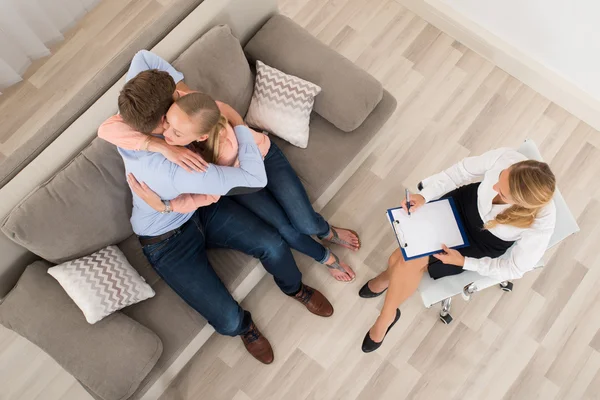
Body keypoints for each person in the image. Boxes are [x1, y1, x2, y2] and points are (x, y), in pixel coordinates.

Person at [102, 54, 336, 365]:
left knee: (273, 244)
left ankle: (295, 289)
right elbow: (255, 177)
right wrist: (236, 122)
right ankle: (245, 328)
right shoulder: (184, 168)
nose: (181, 99)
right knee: (226, 320)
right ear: (162, 122)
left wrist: (170, 128)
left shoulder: (132, 120)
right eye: (177, 103)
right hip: (166, 241)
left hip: (199, 211)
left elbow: (143, 57)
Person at [99, 50, 360, 282]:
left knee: (305, 222)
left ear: (199, 136)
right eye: (168, 125)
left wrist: (239, 126)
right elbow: (107, 127)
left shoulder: (209, 131)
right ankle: (326, 258)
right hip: (239, 182)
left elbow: (253, 176)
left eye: (174, 132)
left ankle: (325, 230)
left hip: (261, 158)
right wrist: (160, 146)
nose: (167, 134)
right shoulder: (177, 120)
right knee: (284, 229)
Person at [358, 148, 557, 352]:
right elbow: (460, 172)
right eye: (499, 177)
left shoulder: (541, 222)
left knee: (406, 259)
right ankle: (387, 297)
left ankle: (386, 314)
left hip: (481, 241)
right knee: (400, 258)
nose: (494, 186)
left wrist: (464, 262)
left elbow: (515, 268)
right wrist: (425, 196)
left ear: (520, 203)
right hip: (463, 204)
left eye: (503, 193)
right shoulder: (506, 157)